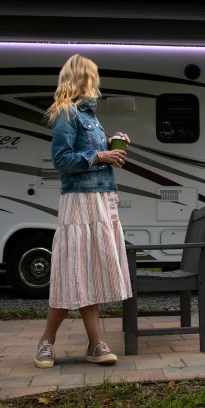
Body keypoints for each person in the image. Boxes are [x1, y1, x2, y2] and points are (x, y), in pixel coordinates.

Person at [34, 54, 133, 369]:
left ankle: (94, 344)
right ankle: (46, 342)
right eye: (94, 75)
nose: (98, 81)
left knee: (87, 272)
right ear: (83, 78)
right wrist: (100, 154)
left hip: (101, 200)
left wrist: (114, 143)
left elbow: (93, 154)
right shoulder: (68, 113)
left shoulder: (91, 117)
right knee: (71, 273)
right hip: (80, 203)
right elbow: (61, 160)